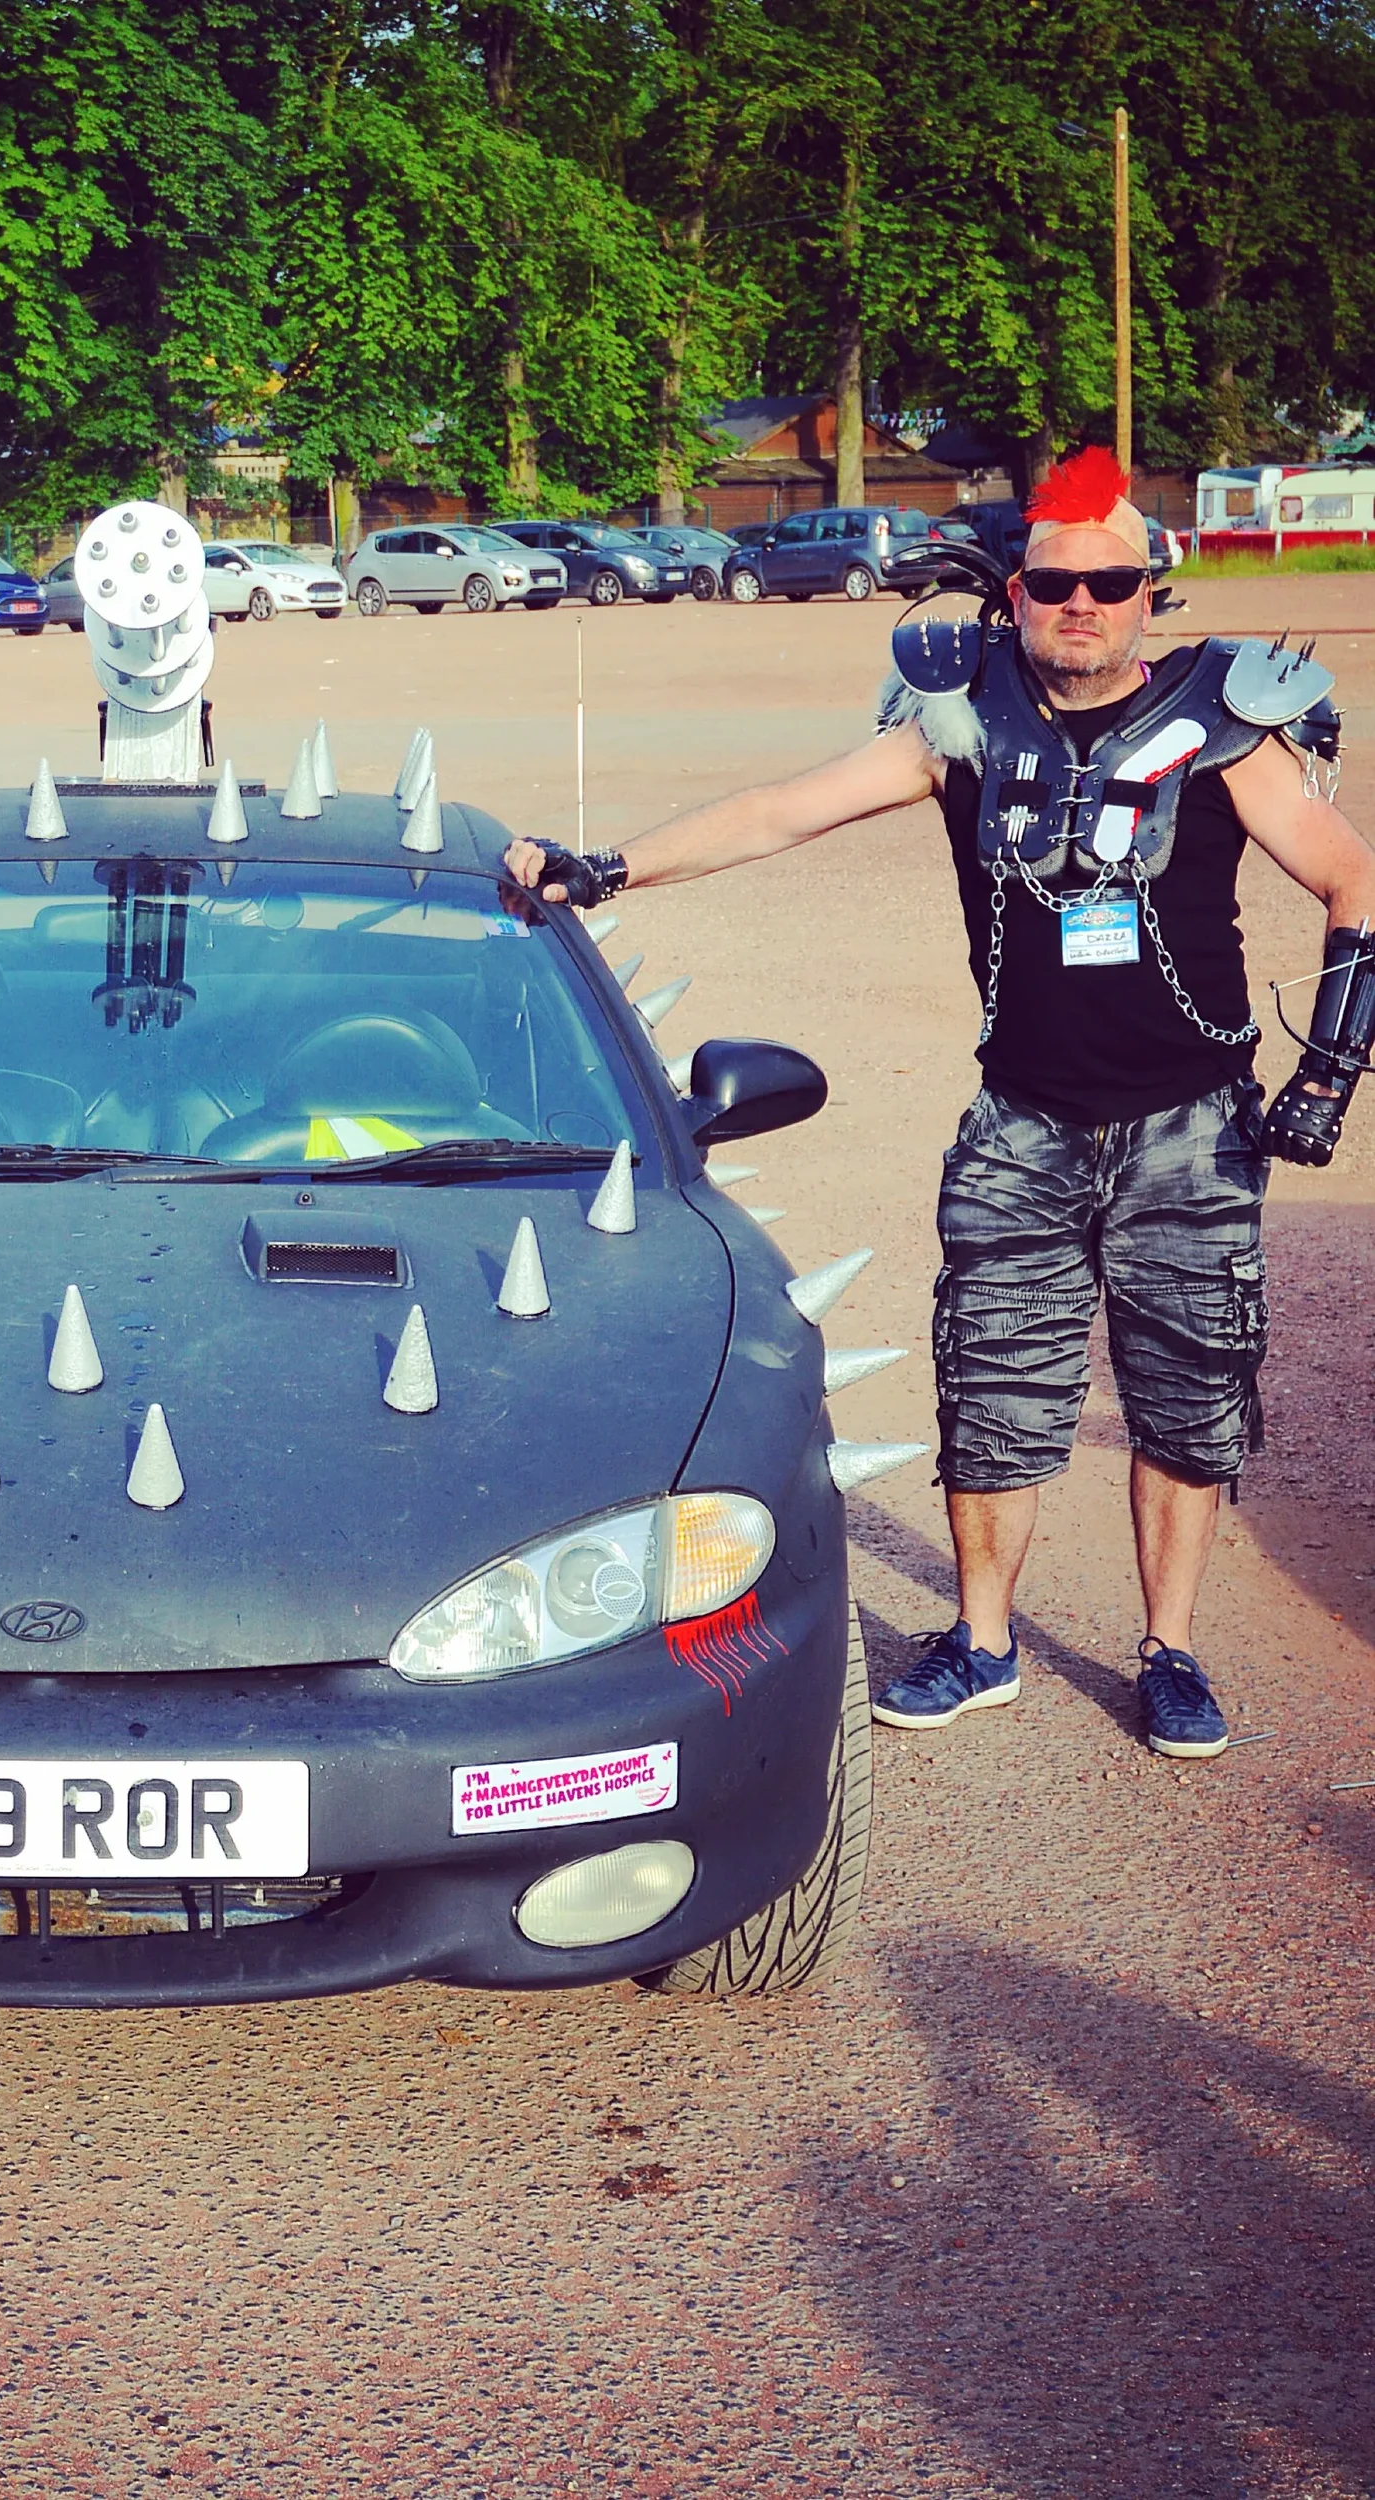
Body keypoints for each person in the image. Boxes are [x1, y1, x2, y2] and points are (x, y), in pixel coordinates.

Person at [506, 448, 1375, 1761]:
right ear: (1015, 590)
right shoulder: (961, 718)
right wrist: (612, 865)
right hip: (1018, 1122)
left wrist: (1328, 1072)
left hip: (1192, 1126)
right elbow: (782, 812)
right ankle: (981, 1639)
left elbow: (1355, 882)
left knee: (1189, 1396)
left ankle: (1172, 1651)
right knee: (995, 1389)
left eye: (1112, 581)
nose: (1082, 603)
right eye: (1054, 581)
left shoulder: (1226, 726)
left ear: (1154, 592)